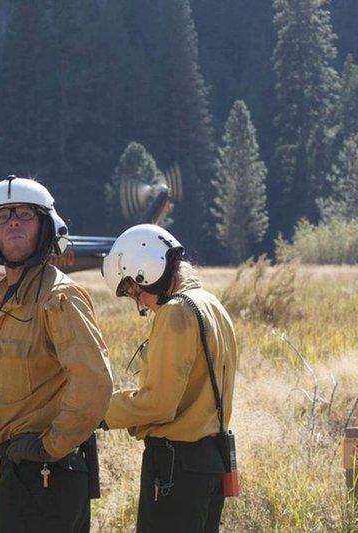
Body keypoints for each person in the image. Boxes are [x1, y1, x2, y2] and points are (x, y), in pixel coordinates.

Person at [0, 175, 113, 532]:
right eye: (2, 217)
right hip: (22, 470)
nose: (14, 222)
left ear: (46, 227)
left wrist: (50, 447)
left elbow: (94, 382)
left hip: (48, 473)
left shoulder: (59, 298)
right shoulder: (2, 299)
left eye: (25, 214)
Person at [100, 224, 239, 532]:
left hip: (176, 465)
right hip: (211, 461)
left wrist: (100, 412)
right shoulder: (210, 303)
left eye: (135, 291)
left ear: (145, 272)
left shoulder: (175, 311)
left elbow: (158, 404)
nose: (140, 303)